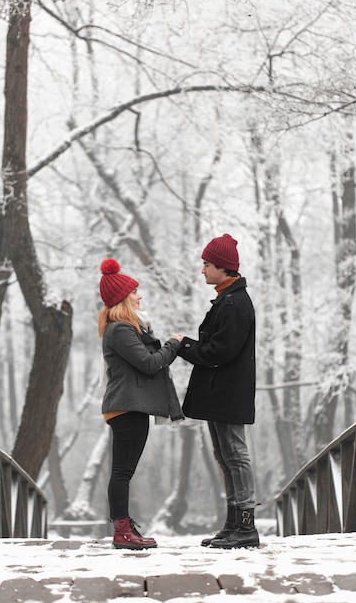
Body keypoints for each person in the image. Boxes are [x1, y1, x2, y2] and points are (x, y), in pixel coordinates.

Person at [177, 233, 259, 549]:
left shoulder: (236, 304)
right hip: (219, 393)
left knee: (235, 454)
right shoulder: (227, 300)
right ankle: (233, 523)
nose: (203, 270)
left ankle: (246, 526)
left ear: (223, 268)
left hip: (228, 393)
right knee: (225, 456)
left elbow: (219, 352)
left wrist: (184, 345)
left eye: (207, 264)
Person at [98, 258, 184, 550]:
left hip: (129, 406)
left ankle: (124, 528)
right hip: (127, 407)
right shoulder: (120, 329)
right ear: (123, 298)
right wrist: (173, 344)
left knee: (124, 471)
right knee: (122, 472)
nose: (140, 295)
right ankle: (121, 531)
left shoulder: (125, 328)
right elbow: (149, 364)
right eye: (134, 292)